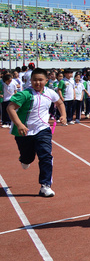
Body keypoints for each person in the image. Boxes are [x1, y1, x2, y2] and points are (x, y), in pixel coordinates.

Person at [6, 68, 67, 197]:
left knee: (46, 156)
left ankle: (45, 185)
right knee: (28, 158)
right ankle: (24, 159)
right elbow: (10, 108)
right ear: (30, 80)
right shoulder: (25, 94)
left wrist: (64, 116)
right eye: (34, 80)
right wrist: (19, 124)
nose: (37, 82)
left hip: (43, 129)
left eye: (40, 80)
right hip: (24, 132)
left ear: (46, 80)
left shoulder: (50, 92)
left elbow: (60, 103)